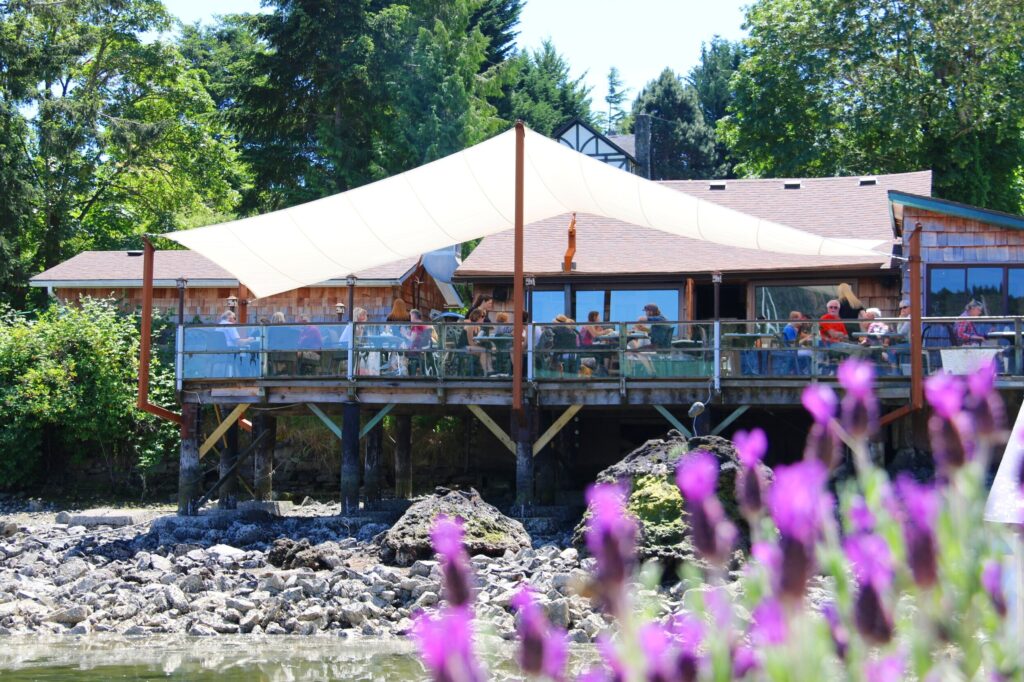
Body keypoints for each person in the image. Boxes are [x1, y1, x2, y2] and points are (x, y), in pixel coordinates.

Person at [464, 308, 492, 375]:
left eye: (484, 316)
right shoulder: (470, 326)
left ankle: (490, 370)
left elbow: (476, 340)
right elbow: (470, 342)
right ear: (477, 316)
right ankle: (486, 372)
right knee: (483, 350)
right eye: (482, 316)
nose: (484, 318)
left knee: (487, 350)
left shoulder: (478, 327)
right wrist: (479, 346)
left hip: (470, 346)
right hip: (464, 347)